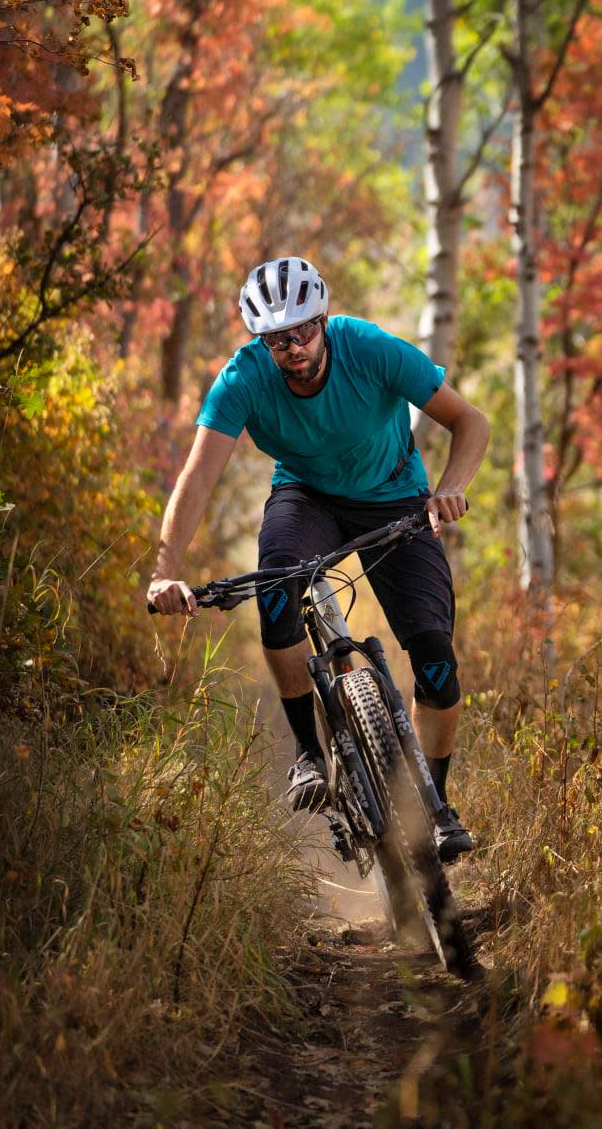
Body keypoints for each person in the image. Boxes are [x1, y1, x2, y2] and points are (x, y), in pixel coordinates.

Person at [147, 256, 488, 860]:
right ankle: (309, 753)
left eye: (303, 330)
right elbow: (197, 479)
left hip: (395, 496)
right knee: (278, 594)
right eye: (276, 339)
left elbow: (470, 421)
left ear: (323, 320)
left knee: (436, 660)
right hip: (306, 496)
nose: (293, 346)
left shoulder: (371, 349)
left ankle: (435, 807)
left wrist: (450, 487)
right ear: (261, 340)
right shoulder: (242, 380)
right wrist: (164, 572)